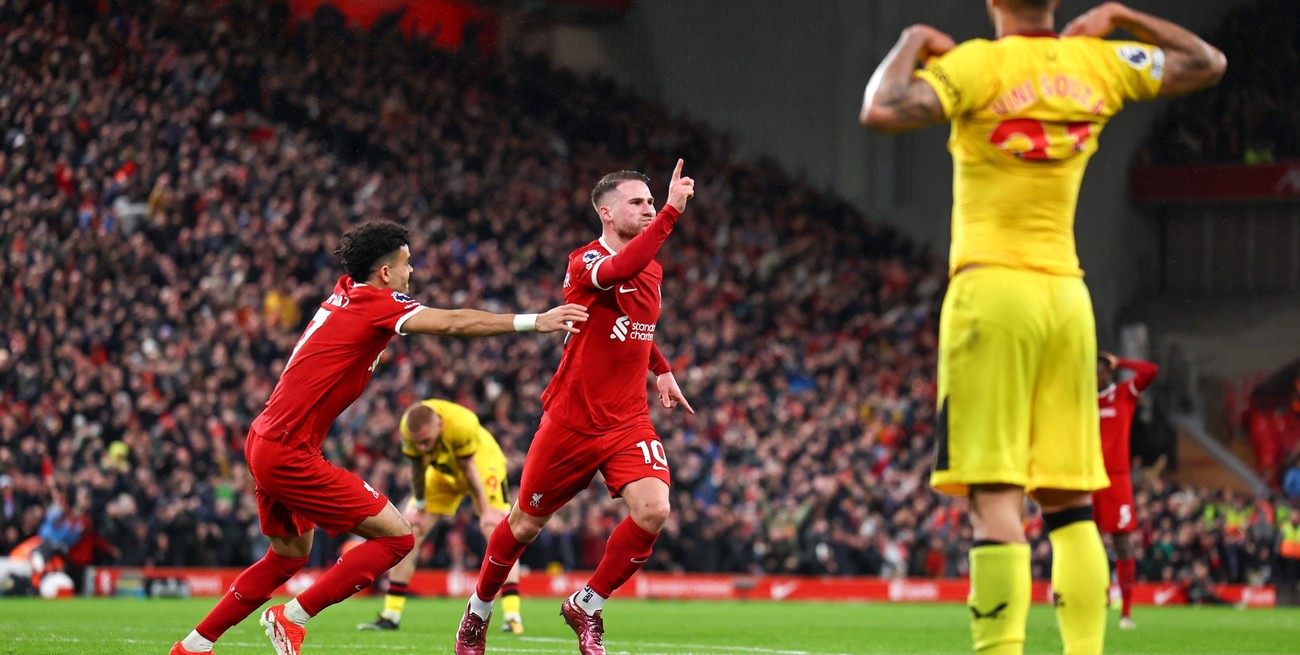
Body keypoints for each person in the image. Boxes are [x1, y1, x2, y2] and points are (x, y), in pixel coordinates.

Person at [860, 2, 1224, 654]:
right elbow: (1207, 62)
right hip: (1067, 297)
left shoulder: (977, 64)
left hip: (991, 293)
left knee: (996, 496)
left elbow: (881, 107)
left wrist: (915, 39)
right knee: (1071, 502)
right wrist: (1119, 15)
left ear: (994, 3)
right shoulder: (1099, 64)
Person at [170, 221, 587, 655]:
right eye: (407, 265)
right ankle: (291, 617)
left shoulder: (347, 291)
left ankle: (194, 646)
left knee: (289, 555)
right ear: (385, 273)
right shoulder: (377, 301)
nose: (412, 275)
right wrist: (534, 321)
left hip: (266, 439)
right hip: (288, 450)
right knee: (398, 538)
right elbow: (454, 323)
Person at [454, 161, 696, 655]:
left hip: (628, 419)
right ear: (606, 213)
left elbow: (634, 325)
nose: (649, 208)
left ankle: (586, 604)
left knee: (654, 512)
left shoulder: (653, 267)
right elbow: (618, 272)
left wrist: (662, 367)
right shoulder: (584, 262)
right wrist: (672, 212)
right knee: (523, 524)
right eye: (638, 202)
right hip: (572, 419)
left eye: (652, 202)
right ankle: (477, 612)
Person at [358, 399, 526, 634]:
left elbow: (469, 468)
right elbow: (417, 467)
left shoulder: (462, 423)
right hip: (443, 470)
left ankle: (512, 615)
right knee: (409, 529)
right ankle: (391, 614)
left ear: (440, 425)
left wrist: (486, 507)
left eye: (427, 442)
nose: (424, 448)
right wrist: (420, 503)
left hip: (481, 464)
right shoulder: (409, 427)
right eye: (420, 444)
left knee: (494, 529)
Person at [1094, 353, 1158, 629]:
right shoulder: (1080, 399)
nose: (1095, 377)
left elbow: (1150, 370)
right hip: (1088, 479)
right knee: (1087, 542)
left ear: (1108, 374)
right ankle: (1097, 600)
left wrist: (1120, 362)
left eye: (1100, 372)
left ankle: (1126, 613)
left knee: (1122, 541)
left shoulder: (1124, 394)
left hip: (1117, 480)